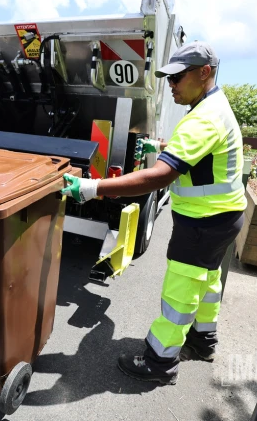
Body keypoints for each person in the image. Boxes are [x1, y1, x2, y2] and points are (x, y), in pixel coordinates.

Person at [61, 41, 247, 385]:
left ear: (204, 72)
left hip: (202, 223)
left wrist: (92, 188)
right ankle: (203, 341)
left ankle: (160, 362)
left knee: (180, 292)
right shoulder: (214, 107)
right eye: (168, 79)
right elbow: (201, 154)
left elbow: (159, 176)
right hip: (224, 218)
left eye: (176, 77)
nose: (171, 85)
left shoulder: (202, 119)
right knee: (207, 283)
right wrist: (161, 146)